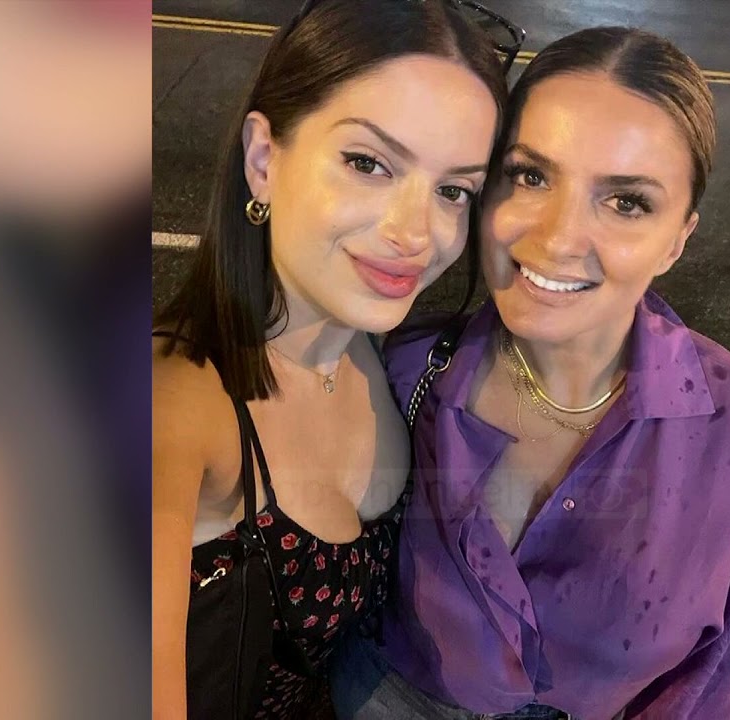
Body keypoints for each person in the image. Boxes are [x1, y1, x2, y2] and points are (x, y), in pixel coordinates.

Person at [331, 26, 730, 720]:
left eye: (626, 202)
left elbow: (728, 679)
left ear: (677, 240)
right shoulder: (398, 370)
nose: (556, 238)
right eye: (531, 176)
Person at [151, 1, 514, 717]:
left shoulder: (380, 351)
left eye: (453, 190)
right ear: (263, 160)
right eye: (367, 163)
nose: (417, 233)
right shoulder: (174, 405)